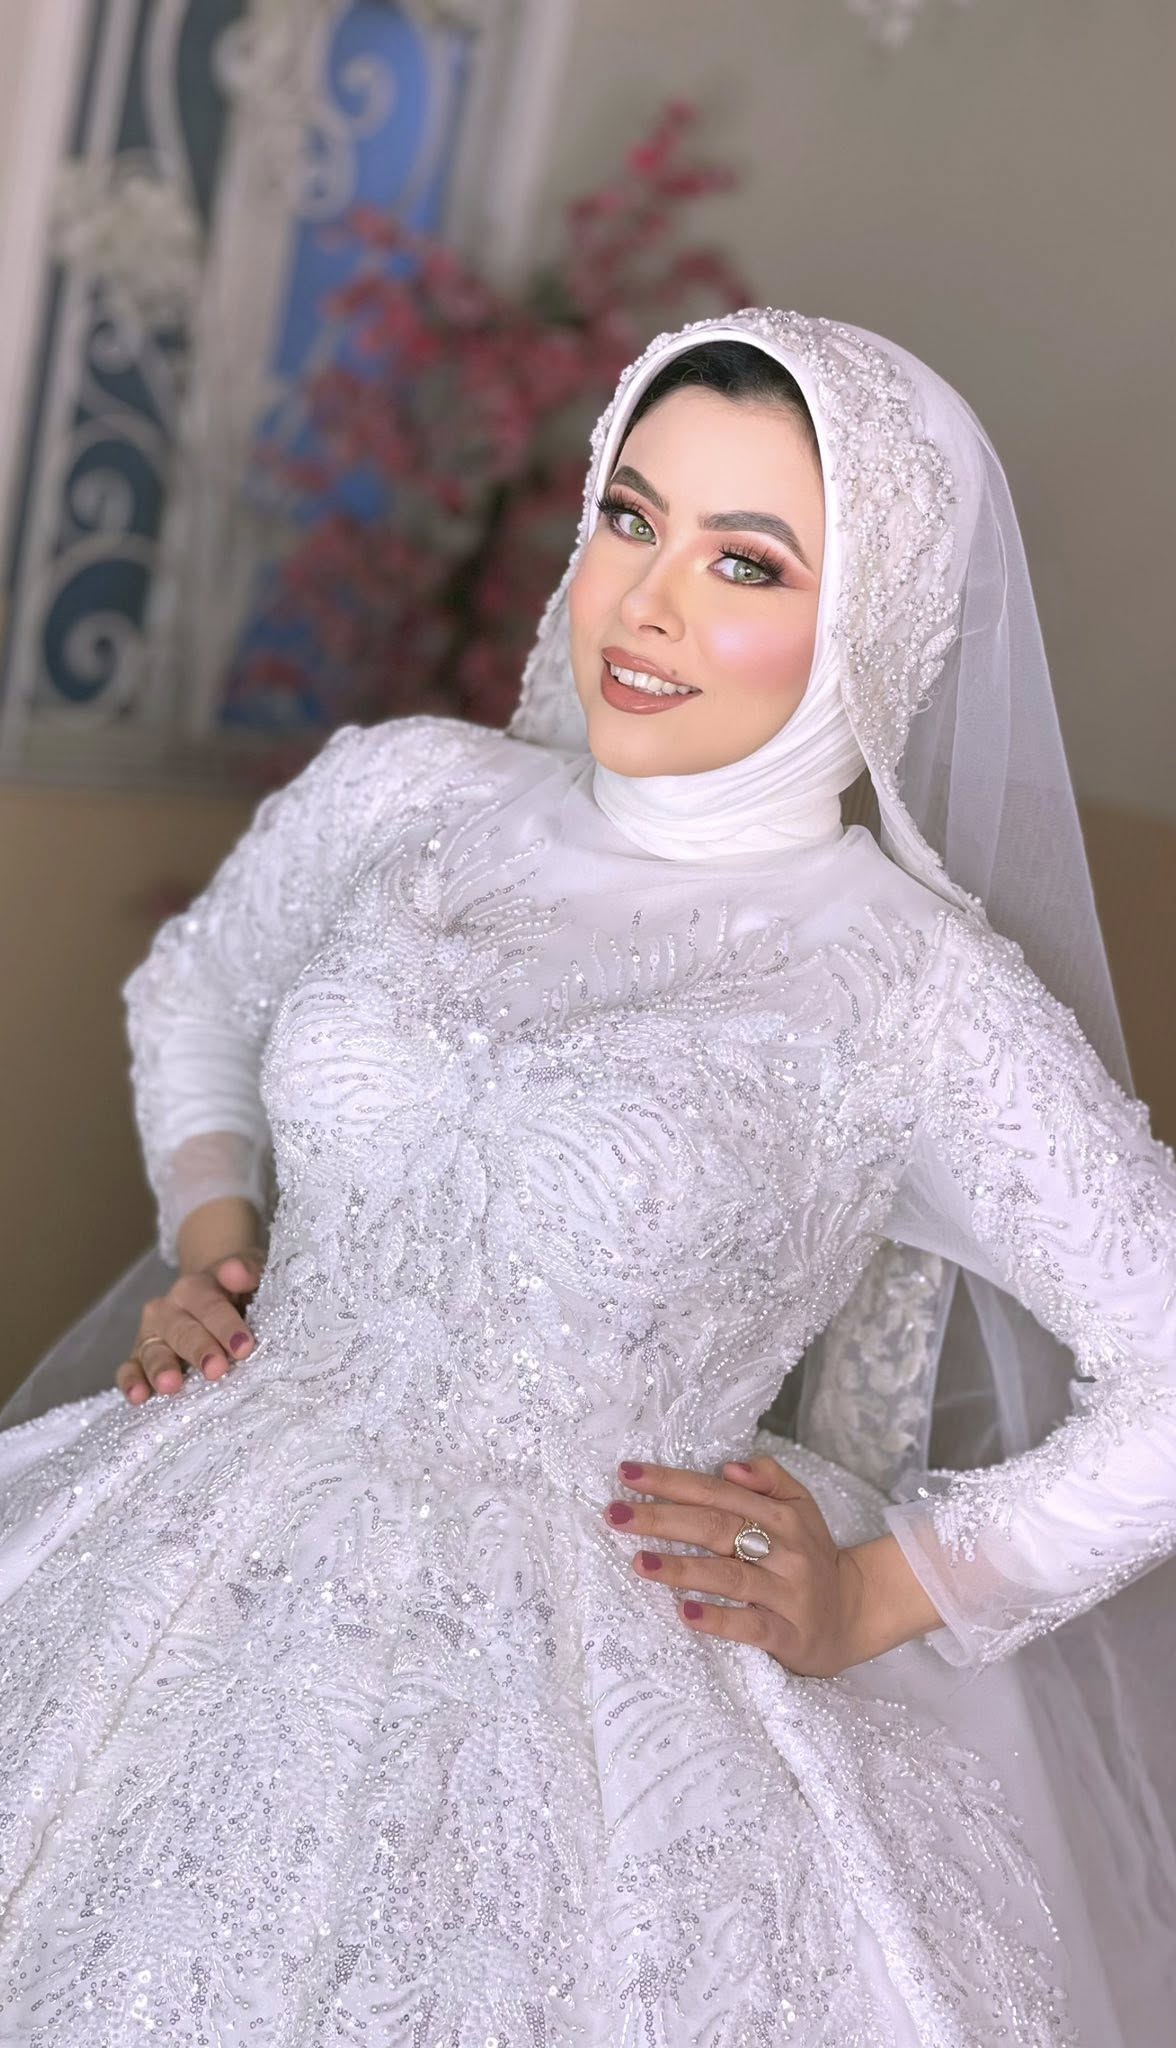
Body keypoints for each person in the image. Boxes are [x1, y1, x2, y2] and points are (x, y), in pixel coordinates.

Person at [0, 309, 1173, 2046]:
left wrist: (882, 1589)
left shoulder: (910, 986)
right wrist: (216, 1246)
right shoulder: (407, 793)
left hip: (592, 1686)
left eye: (745, 562)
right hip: (195, 1550)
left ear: (867, 625)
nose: (648, 603)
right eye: (632, 518)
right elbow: (201, 991)